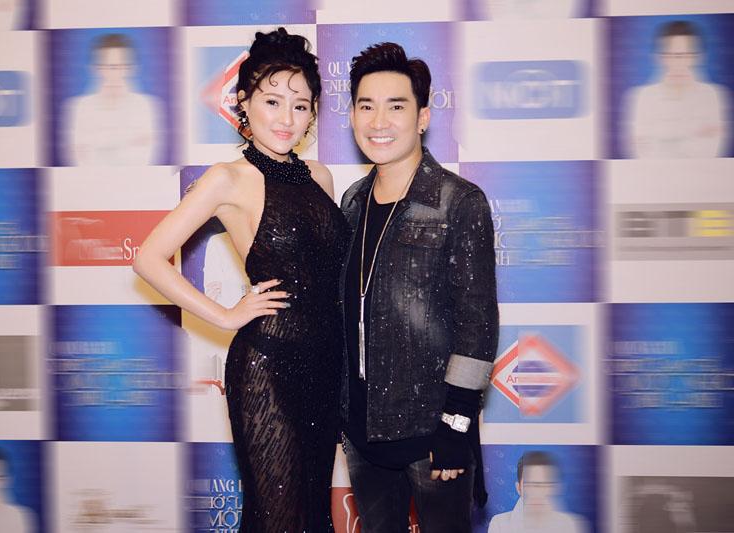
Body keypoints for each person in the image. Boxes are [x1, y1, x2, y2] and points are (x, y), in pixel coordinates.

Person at [133, 28, 348, 531]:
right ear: (244, 104)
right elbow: (148, 258)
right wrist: (226, 315)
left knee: (315, 517)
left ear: (313, 114)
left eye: (300, 105)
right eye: (272, 101)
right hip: (267, 368)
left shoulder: (320, 177)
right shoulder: (228, 178)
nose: (286, 118)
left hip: (325, 367)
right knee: (276, 518)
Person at [340, 43, 498, 532]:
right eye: (366, 106)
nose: (379, 121)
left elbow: (478, 324)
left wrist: (456, 424)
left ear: (423, 117)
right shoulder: (352, 201)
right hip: (362, 432)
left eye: (396, 106)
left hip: (431, 437)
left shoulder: (458, 201)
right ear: (352, 116)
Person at [623, 20, 730, 158]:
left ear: (699, 57)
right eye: (671, 55)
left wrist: (662, 138)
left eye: (687, 55)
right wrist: (693, 134)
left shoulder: (713, 96)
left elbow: (709, 151)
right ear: (659, 58)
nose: (679, 63)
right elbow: (642, 153)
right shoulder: (641, 97)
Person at [62, 33, 164, 166]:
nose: (116, 74)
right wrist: (128, 142)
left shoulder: (146, 106)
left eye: (123, 66)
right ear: (95, 68)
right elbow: (81, 160)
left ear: (133, 68)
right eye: (109, 67)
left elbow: (144, 159)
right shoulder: (79, 107)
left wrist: (100, 144)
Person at [488, 451, 589, 533]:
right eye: (530, 484)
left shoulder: (569, 524)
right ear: (519, 488)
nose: (537, 493)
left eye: (545, 484)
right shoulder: (499, 524)